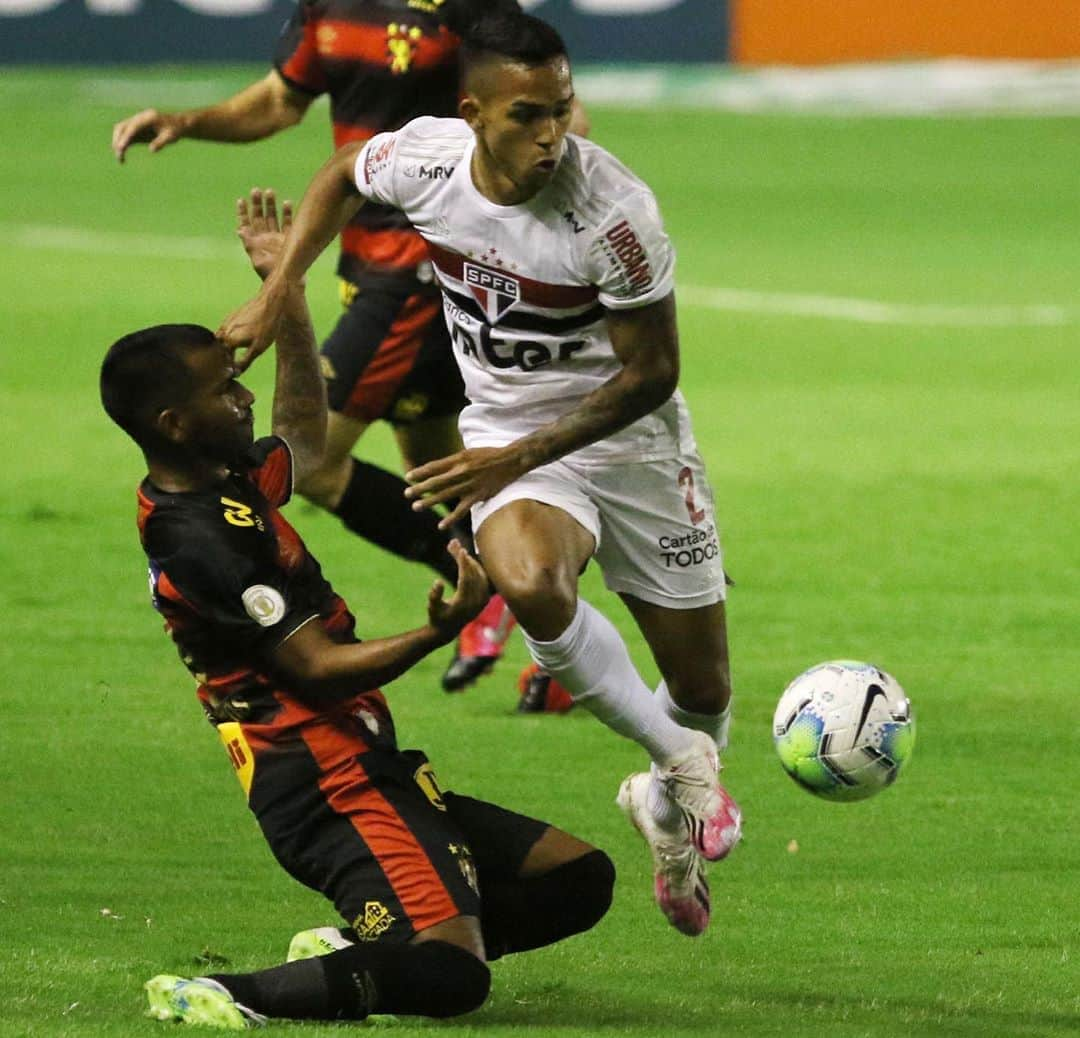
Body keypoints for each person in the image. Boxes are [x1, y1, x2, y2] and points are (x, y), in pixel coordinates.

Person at [218, 12, 741, 938]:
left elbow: (652, 373)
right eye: (529, 115)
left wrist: (522, 454)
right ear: (473, 113)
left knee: (703, 685)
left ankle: (663, 802)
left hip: (634, 446)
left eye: (564, 109)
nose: (553, 135)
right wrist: (278, 288)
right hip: (506, 430)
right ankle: (681, 762)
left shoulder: (615, 213)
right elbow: (342, 173)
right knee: (531, 580)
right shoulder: (426, 162)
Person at [100, 190, 614, 1028]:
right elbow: (316, 669)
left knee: (577, 880)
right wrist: (440, 628)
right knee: (455, 979)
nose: (243, 398)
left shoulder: (220, 484)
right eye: (225, 391)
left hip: (364, 760)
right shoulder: (204, 544)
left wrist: (288, 293)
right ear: (173, 423)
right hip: (325, 783)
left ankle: (366, 953)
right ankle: (232, 995)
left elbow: (304, 434)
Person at [109, 0, 567, 691]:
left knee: (317, 465)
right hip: (366, 258)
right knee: (442, 466)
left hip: (417, 266)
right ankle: (553, 637)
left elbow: (540, 106)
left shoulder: (468, 11)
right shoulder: (328, 6)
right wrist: (187, 122)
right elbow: (279, 102)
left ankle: (498, 595)